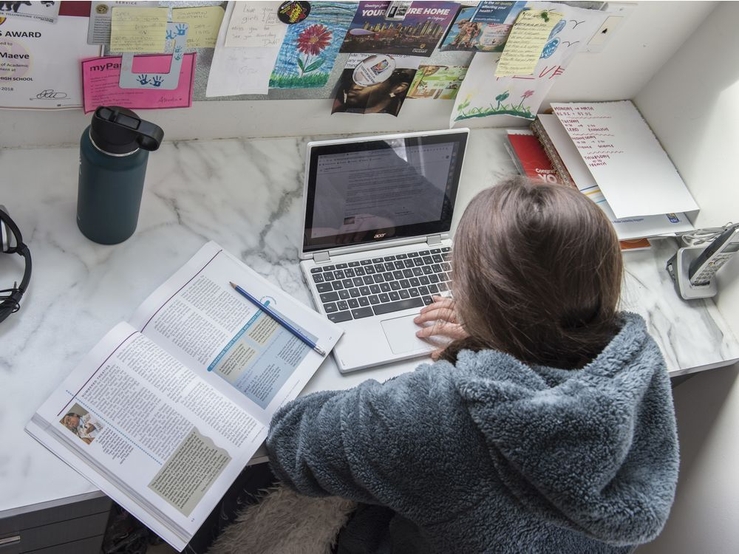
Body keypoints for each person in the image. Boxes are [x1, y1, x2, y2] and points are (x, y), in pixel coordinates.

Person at [264, 176, 679, 553]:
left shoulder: (433, 412)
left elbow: (292, 447)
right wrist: (497, 334)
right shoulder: (639, 363)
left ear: (474, 291)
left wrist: (456, 363)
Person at [332, 68, 415, 116]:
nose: (354, 87)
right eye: (353, 79)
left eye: (370, 81)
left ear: (398, 88)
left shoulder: (403, 114)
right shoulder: (340, 110)